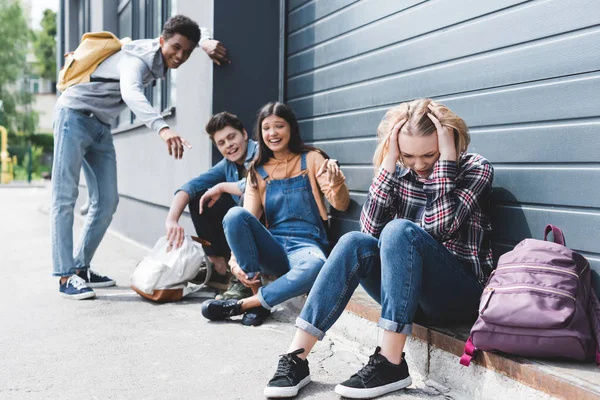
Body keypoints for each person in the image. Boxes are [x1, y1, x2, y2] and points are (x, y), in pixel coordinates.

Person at [263, 99, 494, 399]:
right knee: (352, 242)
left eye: (430, 154)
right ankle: (295, 357)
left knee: (399, 231)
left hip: (458, 297)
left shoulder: (476, 169)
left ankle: (390, 362)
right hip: (409, 297)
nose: (420, 164)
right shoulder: (399, 173)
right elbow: (369, 232)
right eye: (408, 155)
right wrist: (388, 164)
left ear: (450, 141)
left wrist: (447, 162)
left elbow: (441, 227)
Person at [52, 15, 229, 300]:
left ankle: (81, 267)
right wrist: (163, 128)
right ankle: (64, 274)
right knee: (63, 198)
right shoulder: (136, 59)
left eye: (187, 50)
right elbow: (130, 92)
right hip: (73, 117)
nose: (180, 55)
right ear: (161, 41)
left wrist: (205, 42)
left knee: (108, 201)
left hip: (100, 125)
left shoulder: (174, 45)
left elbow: (194, 30)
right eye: (175, 48)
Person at [201, 102, 350, 327]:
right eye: (266, 128)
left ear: (291, 128)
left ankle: (250, 304)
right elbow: (245, 219)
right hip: (275, 248)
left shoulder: (312, 159)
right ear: (260, 134)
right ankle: (256, 293)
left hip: (306, 245)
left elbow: (341, 204)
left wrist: (337, 182)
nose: (273, 133)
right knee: (234, 214)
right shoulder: (257, 170)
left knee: (317, 266)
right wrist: (234, 263)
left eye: (279, 126)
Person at [165, 111, 257, 299]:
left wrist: (223, 187)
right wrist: (171, 220)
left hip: (269, 226)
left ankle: (245, 277)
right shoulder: (228, 165)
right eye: (221, 143)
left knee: (240, 204)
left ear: (245, 134)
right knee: (201, 197)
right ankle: (219, 267)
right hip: (244, 227)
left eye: (232, 137)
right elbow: (189, 187)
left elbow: (256, 186)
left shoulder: (262, 153)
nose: (229, 145)